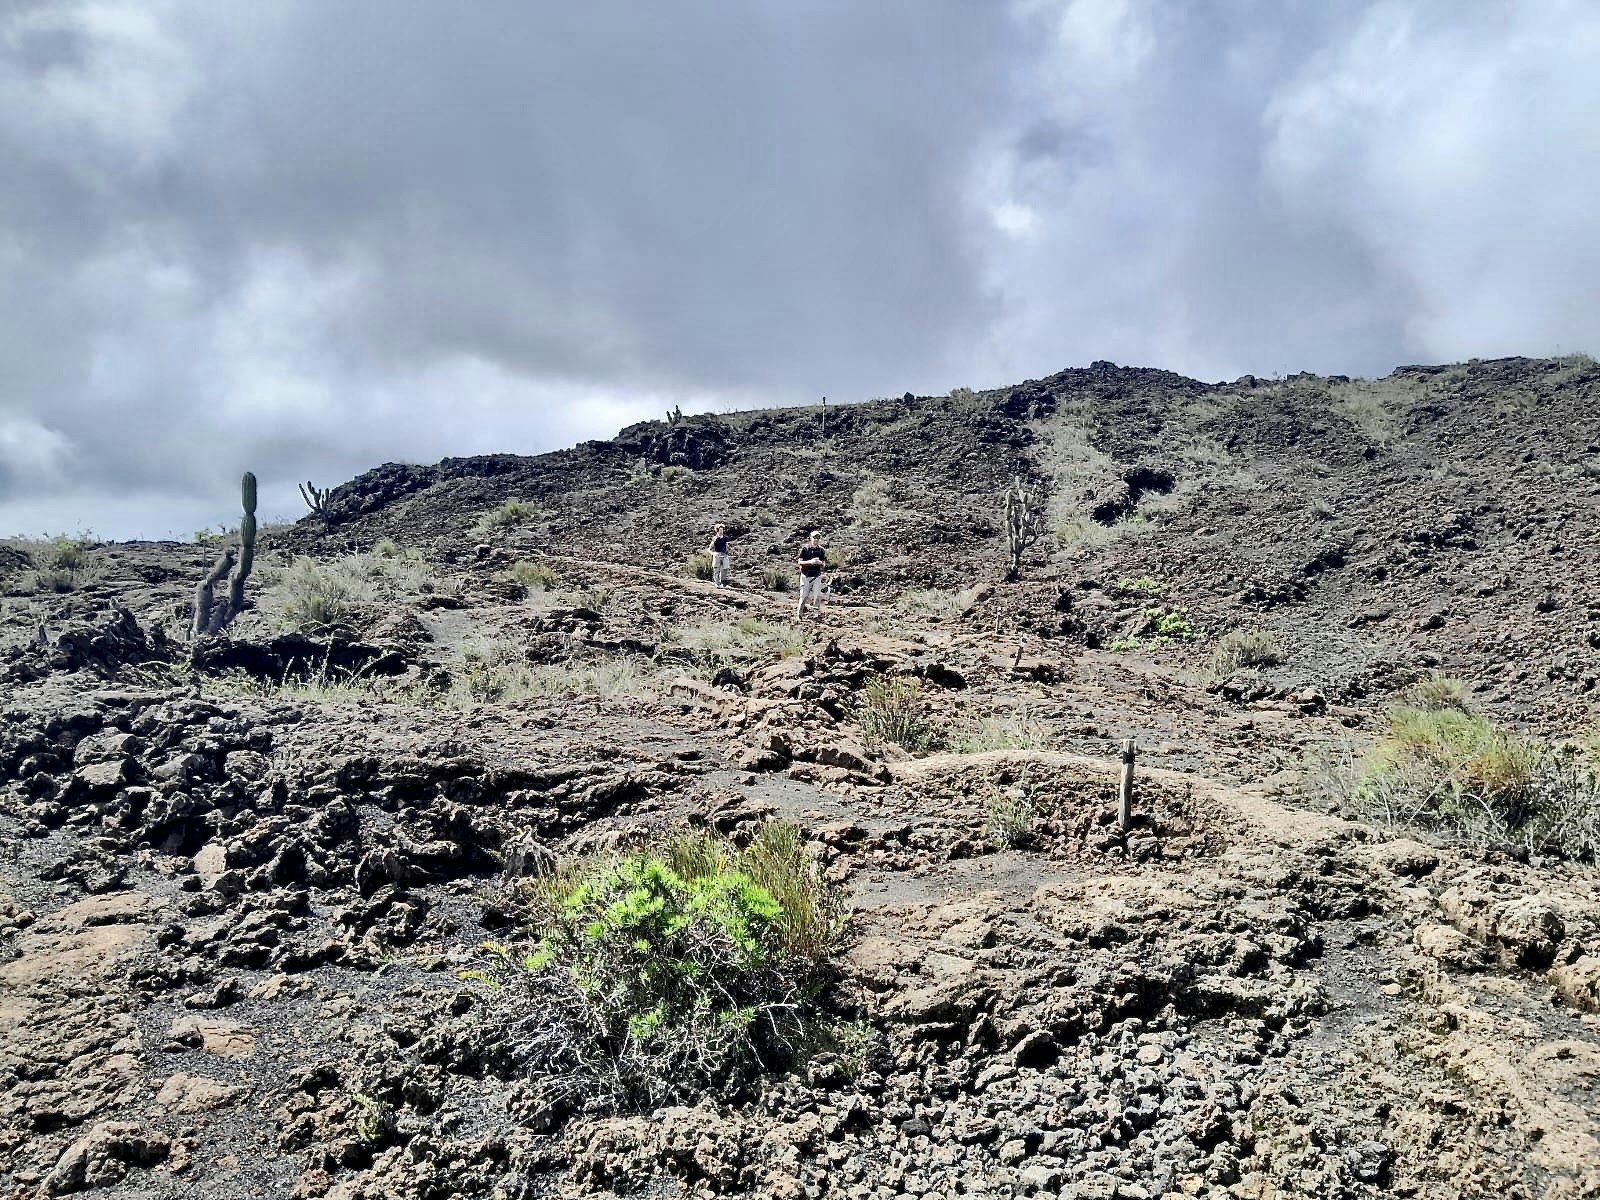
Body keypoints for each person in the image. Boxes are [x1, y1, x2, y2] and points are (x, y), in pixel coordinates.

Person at [795, 530, 827, 619]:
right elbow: (800, 562)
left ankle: (816, 615)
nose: (816, 539)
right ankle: (799, 615)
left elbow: (824, 563)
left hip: (817, 576)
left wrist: (819, 562)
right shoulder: (805, 549)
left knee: (817, 596)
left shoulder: (821, 550)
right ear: (810, 538)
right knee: (804, 596)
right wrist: (810, 562)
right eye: (814, 538)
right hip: (806, 576)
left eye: (818, 538)